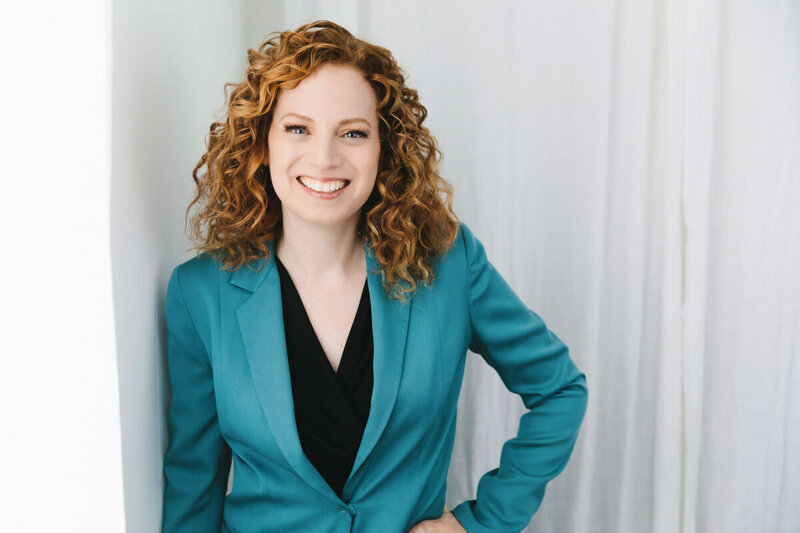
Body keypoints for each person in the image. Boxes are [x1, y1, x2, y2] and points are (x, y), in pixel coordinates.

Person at [161, 19, 588, 533]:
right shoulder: (199, 293)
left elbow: (559, 389)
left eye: (353, 133)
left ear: (384, 147)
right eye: (298, 128)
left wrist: (479, 523)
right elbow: (194, 484)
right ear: (262, 142)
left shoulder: (449, 263)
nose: (324, 157)